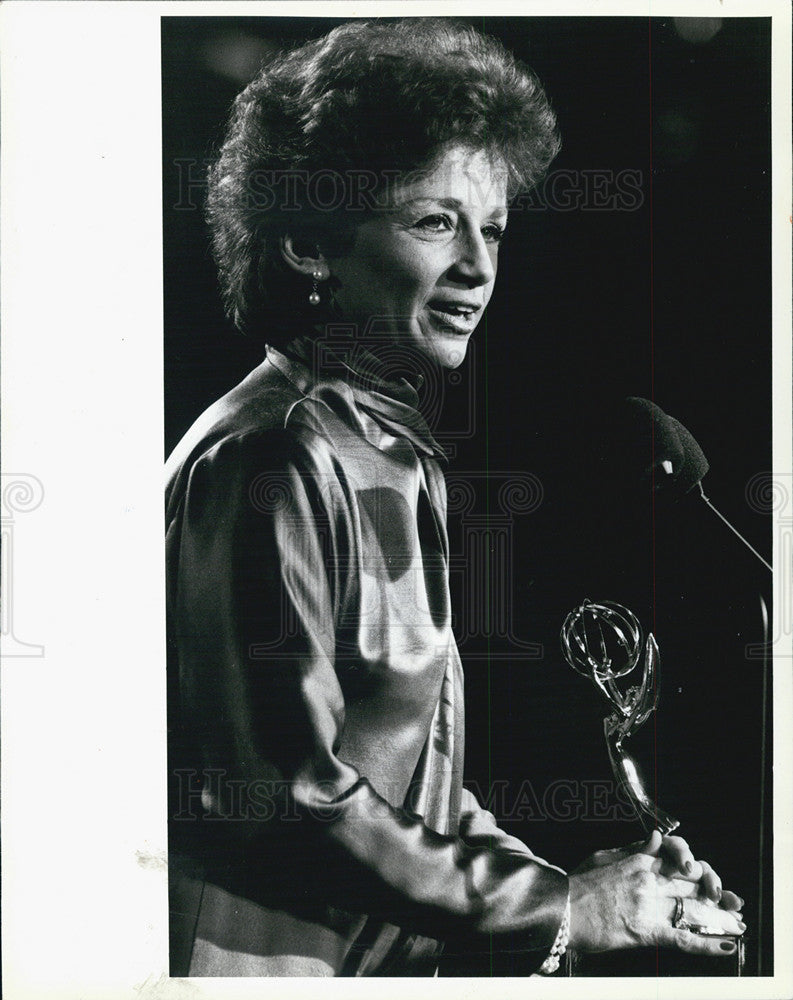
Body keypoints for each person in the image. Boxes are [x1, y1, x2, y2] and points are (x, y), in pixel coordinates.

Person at [165, 18, 745, 977]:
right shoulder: (276, 454)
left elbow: (408, 786)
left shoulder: (393, 452)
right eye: (434, 221)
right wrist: (560, 907)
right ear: (311, 240)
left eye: (494, 228)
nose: (477, 265)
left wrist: (600, 895)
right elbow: (285, 797)